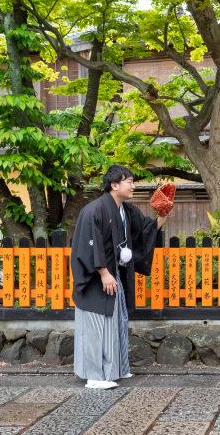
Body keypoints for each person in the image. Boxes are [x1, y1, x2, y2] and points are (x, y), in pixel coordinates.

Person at [70, 165, 169, 389]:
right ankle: (95, 376)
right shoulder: (93, 210)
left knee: (118, 322)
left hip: (114, 276)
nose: (133, 186)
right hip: (96, 280)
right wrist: (103, 272)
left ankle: (116, 369)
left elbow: (145, 231)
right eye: (129, 182)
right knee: (97, 326)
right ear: (114, 185)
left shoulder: (127, 210)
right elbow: (88, 245)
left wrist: (162, 216)